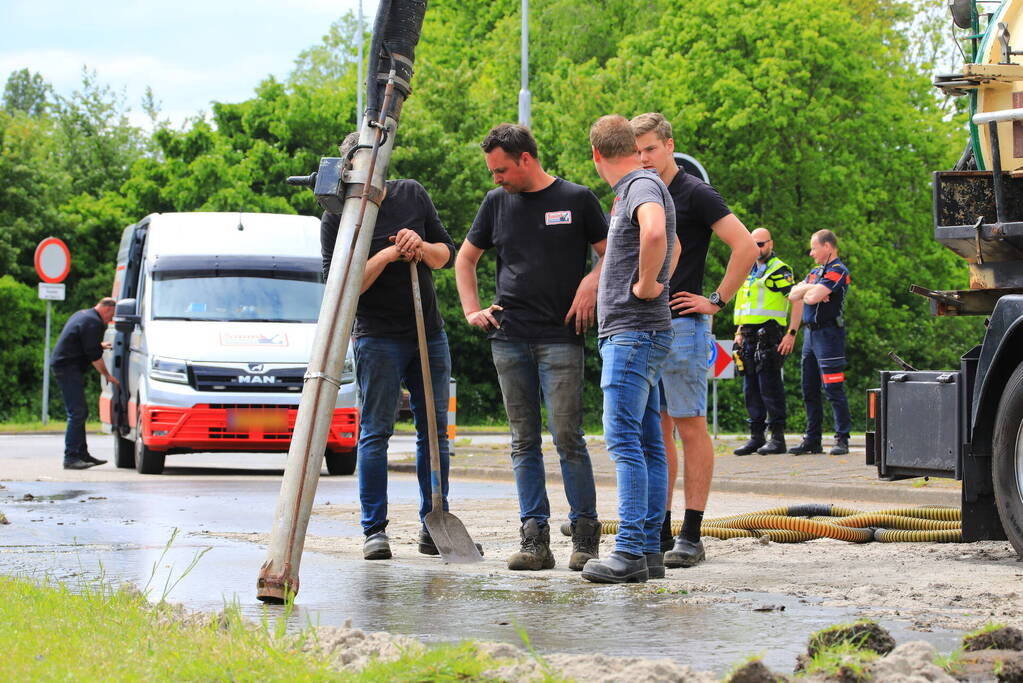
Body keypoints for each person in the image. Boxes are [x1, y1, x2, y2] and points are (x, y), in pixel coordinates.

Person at [455, 123, 607, 572]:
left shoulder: (577, 199)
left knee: (567, 437)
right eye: (492, 171)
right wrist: (471, 310)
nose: (495, 178)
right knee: (523, 441)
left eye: (501, 170)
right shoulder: (495, 203)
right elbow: (465, 259)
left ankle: (585, 538)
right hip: (509, 338)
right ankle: (535, 540)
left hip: (561, 337)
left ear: (526, 158)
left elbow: (611, 252)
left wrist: (591, 283)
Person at [322, 131, 459, 561]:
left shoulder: (411, 194)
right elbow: (341, 287)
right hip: (377, 337)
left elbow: (446, 254)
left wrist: (421, 246)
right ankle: (374, 530)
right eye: (360, 168)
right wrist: (386, 255)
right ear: (348, 170)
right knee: (376, 431)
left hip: (427, 332)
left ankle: (433, 523)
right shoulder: (338, 218)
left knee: (434, 431)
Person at [630, 112, 758, 568]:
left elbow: (746, 246)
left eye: (650, 148)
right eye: (636, 151)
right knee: (655, 430)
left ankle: (692, 533)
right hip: (644, 323)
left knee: (689, 426)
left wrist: (717, 300)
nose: (643, 158)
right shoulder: (638, 191)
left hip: (684, 325)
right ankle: (660, 531)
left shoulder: (694, 192)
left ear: (669, 145)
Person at [581, 114, 675, 584]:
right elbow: (672, 244)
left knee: (623, 441)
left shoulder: (638, 186)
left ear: (596, 154)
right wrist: (656, 280)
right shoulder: (644, 184)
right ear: (632, 148)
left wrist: (645, 285)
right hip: (643, 332)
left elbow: (656, 233)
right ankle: (650, 551)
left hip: (632, 333)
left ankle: (630, 552)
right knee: (648, 443)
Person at [732, 228, 801, 456]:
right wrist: (739, 331)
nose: (757, 248)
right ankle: (756, 436)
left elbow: (797, 299)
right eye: (753, 244)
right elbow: (746, 302)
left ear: (770, 244)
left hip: (769, 334)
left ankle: (777, 438)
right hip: (748, 334)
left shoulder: (779, 269)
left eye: (761, 244)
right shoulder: (748, 268)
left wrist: (791, 333)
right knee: (750, 388)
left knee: (769, 387)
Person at [787, 229, 852, 456]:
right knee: (809, 388)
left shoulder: (838, 271)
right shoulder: (815, 272)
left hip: (829, 335)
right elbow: (793, 295)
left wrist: (808, 291)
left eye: (814, 248)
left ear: (827, 247)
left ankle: (842, 438)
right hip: (810, 335)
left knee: (833, 388)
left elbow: (811, 297)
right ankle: (812, 439)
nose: (811, 253)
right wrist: (811, 289)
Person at [51, 297, 119, 470]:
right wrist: (107, 375)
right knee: (77, 412)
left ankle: (82, 454)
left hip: (66, 365)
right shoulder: (93, 322)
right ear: (108, 309)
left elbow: (82, 343)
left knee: (80, 412)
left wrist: (99, 345)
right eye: (111, 316)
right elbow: (94, 356)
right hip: (67, 367)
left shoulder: (83, 315)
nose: (110, 321)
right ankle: (71, 457)